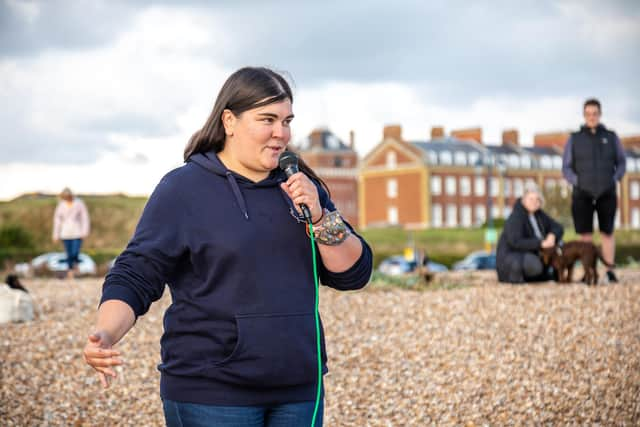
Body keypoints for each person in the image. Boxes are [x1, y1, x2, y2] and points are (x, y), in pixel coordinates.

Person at [82, 67, 373, 427]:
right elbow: (137, 273)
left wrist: (318, 217)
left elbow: (353, 274)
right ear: (229, 121)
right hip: (211, 392)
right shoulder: (183, 189)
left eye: (287, 120)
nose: (280, 133)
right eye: (267, 119)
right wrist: (105, 334)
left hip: (299, 389)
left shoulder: (302, 186)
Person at [562, 98, 626, 283]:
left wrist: (614, 179)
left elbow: (621, 162)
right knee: (585, 234)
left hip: (607, 192)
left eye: (595, 113)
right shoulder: (574, 139)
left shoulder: (611, 137)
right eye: (588, 114)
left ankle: (609, 271)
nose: (592, 117)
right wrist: (578, 181)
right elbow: (565, 167)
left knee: (607, 232)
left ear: (600, 114)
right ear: (584, 115)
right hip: (582, 193)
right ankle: (588, 272)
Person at [496, 183, 564, 284]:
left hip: (534, 253)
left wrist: (552, 235)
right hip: (512, 258)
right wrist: (540, 243)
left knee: (562, 247)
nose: (534, 202)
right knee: (534, 265)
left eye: (537, 200)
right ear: (524, 199)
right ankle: (536, 275)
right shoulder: (516, 217)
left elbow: (558, 227)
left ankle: (551, 275)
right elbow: (515, 242)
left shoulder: (539, 214)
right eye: (531, 199)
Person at [52, 187, 90, 279]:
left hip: (77, 232)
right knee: (68, 254)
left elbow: (84, 218)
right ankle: (70, 272)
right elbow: (57, 220)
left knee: (75, 252)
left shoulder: (79, 203)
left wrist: (85, 231)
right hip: (65, 233)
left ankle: (76, 265)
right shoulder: (61, 205)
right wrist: (55, 234)